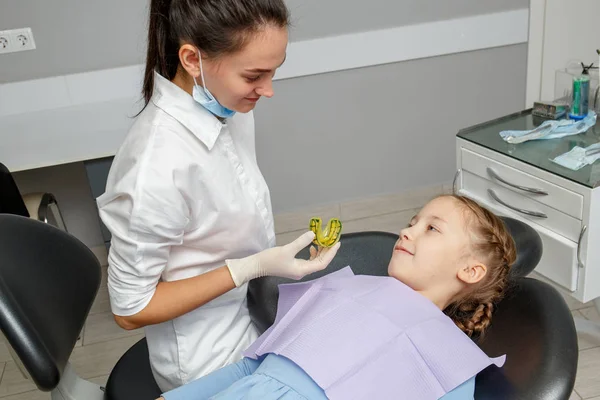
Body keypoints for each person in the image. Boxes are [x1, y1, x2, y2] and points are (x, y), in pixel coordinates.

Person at [96, 0, 340, 392]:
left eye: (274, 71)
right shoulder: (155, 169)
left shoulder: (228, 107)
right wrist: (246, 267)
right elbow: (130, 310)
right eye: (254, 75)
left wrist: (260, 266)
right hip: (209, 360)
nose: (268, 90)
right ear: (193, 59)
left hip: (256, 313)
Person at [156, 194, 517, 399]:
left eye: (432, 228)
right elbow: (251, 366)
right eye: (412, 221)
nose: (408, 232)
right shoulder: (340, 290)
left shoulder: (449, 359)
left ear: (470, 271)